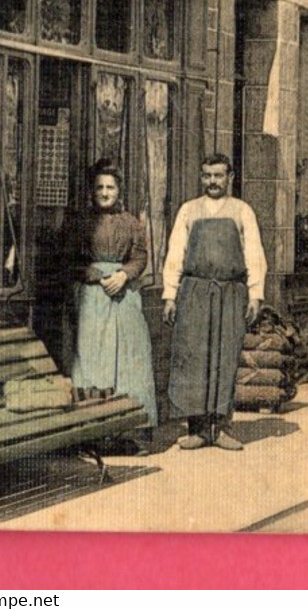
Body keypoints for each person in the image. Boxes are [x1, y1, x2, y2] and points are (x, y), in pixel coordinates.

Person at [163, 153, 266, 451]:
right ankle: (196, 428)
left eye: (219, 175)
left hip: (230, 292)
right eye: (207, 175)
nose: (213, 182)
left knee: (224, 356)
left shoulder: (242, 211)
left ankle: (220, 427)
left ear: (230, 177)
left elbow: (254, 255)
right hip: (194, 292)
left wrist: (255, 294)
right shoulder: (189, 210)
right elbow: (175, 254)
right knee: (194, 357)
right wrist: (170, 295)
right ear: (201, 176)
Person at [69, 161, 157, 445]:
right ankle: (93, 432)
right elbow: (67, 259)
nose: (105, 193)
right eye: (99, 188)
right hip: (93, 297)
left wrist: (124, 274)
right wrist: (94, 274)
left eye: (110, 187)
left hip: (124, 295)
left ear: (119, 190)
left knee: (130, 358)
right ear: (92, 191)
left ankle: (132, 430)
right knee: (94, 359)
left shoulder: (131, 223)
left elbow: (140, 256)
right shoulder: (80, 221)